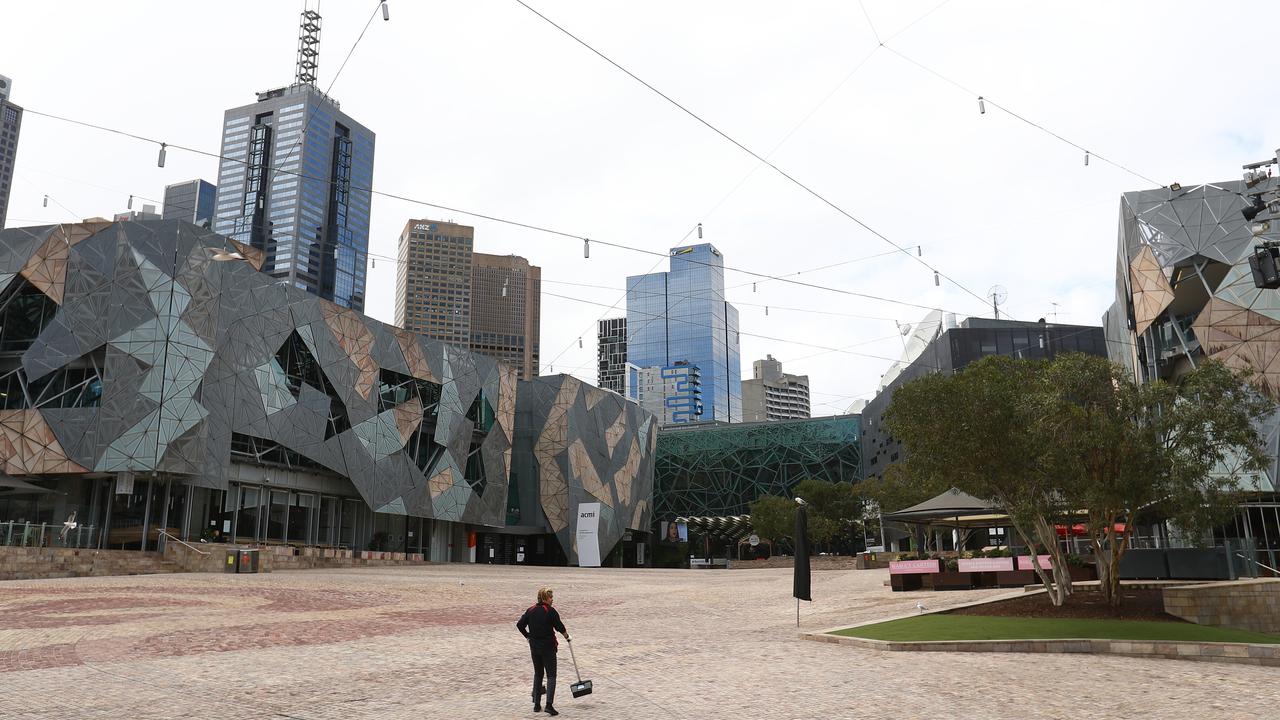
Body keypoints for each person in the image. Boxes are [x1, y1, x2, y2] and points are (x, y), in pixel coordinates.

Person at [516, 586, 570, 716]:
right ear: (545, 598)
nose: (552, 600)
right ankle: (549, 705)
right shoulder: (550, 611)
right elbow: (559, 626)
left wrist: (527, 636)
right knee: (551, 675)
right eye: (551, 597)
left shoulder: (530, 610)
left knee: (538, 674)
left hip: (534, 647)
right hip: (548, 647)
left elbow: (520, 625)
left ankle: (536, 704)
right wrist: (567, 637)